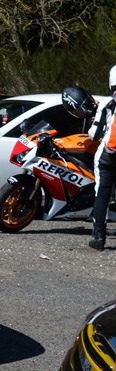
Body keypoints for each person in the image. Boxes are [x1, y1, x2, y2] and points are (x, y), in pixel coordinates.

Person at [88, 64, 116, 250]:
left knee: (102, 195)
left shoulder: (107, 103)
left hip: (108, 156)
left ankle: (99, 238)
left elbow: (94, 134)